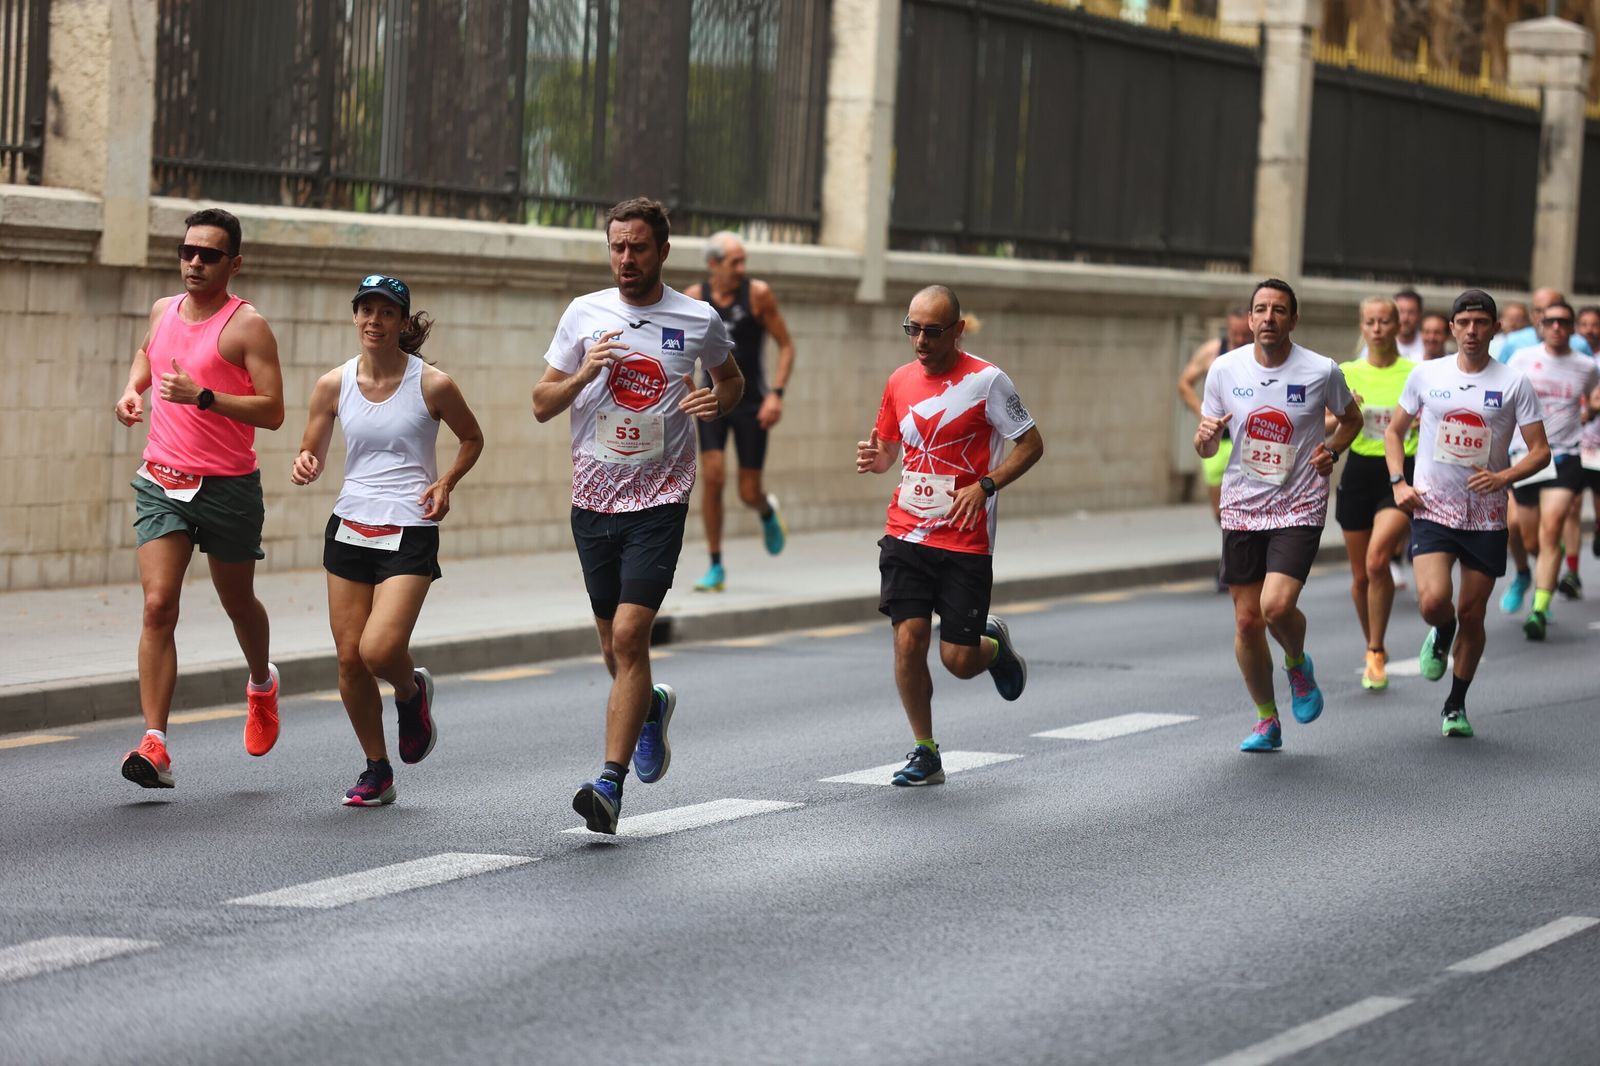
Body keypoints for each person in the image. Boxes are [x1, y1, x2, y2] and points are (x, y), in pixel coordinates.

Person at [533, 197, 742, 835]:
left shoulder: (697, 318)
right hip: (593, 501)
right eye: (617, 247)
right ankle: (648, 705)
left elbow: (731, 380)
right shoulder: (583, 314)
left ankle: (609, 786)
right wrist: (582, 373)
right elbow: (542, 403)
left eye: (638, 248)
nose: (626, 259)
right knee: (614, 648)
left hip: (660, 499)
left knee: (629, 638)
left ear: (663, 252)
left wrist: (716, 399)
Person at [290, 276, 484, 806]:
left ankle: (409, 690)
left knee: (378, 649)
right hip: (350, 525)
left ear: (402, 322)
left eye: (386, 312)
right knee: (350, 660)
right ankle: (377, 768)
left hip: (409, 526)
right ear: (355, 317)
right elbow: (313, 447)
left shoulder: (433, 385)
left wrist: (445, 482)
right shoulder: (334, 384)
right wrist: (306, 461)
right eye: (365, 310)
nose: (373, 320)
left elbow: (472, 437)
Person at [113, 208, 285, 790]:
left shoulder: (247, 326)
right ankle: (155, 743)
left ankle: (261, 684)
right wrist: (133, 389)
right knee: (159, 604)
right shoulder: (164, 310)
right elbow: (147, 353)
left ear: (233, 264)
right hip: (162, 478)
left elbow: (274, 410)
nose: (194, 262)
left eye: (209, 255)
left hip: (228, 486)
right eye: (187, 251)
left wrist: (205, 396)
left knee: (238, 602)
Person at [855, 285, 1042, 785]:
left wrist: (986, 484)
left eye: (932, 331)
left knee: (958, 660)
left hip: (965, 539)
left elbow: (1031, 445)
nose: (919, 339)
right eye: (912, 328)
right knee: (908, 642)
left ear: (957, 330)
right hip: (907, 533)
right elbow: (892, 447)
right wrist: (879, 461)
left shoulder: (988, 381)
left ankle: (994, 647)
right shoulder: (898, 380)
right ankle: (925, 751)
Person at [1195, 279, 1361, 753]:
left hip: (1299, 502)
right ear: (1250, 320)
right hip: (1244, 504)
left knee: (1276, 607)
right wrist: (1205, 438)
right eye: (1261, 310)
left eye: (1279, 310)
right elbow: (1207, 441)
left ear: (1293, 319)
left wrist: (1332, 449)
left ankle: (1297, 662)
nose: (1269, 317)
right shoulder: (1225, 369)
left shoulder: (1321, 370)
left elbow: (1351, 419)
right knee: (1247, 623)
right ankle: (1267, 719)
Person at [1387, 290, 1550, 737]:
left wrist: (1504, 478)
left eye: (1482, 323)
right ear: (1453, 328)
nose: (1472, 331)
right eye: (1465, 323)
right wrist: (1399, 482)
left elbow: (1540, 452)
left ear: (1496, 329)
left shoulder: (1514, 383)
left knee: (1474, 615)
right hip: (1433, 507)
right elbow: (1395, 432)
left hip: (1486, 515)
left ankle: (1455, 705)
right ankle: (1441, 633)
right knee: (1434, 602)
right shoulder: (1426, 375)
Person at [683, 232, 797, 591]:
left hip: (750, 403)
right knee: (713, 477)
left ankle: (765, 509)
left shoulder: (758, 295)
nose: (742, 269)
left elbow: (786, 346)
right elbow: (679, 351)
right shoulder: (695, 298)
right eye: (735, 262)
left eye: (744, 261)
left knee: (748, 491)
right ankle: (716, 565)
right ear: (713, 264)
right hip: (711, 400)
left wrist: (775, 395)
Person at [1331, 297, 1417, 691]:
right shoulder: (1347, 372)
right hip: (1359, 473)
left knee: (1378, 558)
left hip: (1401, 473)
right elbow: (1325, 424)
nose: (1378, 328)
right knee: (1361, 575)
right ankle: (1372, 648)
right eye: (1370, 322)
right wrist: (1342, 415)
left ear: (1398, 325)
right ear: (1362, 327)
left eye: (1385, 321)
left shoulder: (1416, 373)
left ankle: (1378, 648)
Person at [1504, 301, 1600, 638]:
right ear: (1540, 326)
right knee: (1518, 532)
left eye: (1564, 322)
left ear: (1572, 329)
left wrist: (1587, 413)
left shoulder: (1586, 366)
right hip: (1525, 457)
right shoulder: (1521, 360)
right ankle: (1524, 572)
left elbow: (1592, 397)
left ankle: (1539, 610)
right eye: (1551, 322)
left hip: (1564, 458)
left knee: (1551, 529)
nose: (1557, 327)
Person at [1178, 306, 1252, 524]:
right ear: (1227, 329)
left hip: (1247, 437)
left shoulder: (1260, 356)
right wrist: (1204, 413)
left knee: (1246, 501)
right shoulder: (1212, 351)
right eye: (1234, 333)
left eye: (1245, 335)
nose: (1239, 339)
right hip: (1218, 436)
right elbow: (1184, 383)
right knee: (1219, 505)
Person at [1357, 289, 1425, 360]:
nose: (1405, 318)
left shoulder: (1429, 343)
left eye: (1411, 312)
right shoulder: (1374, 345)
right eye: (1401, 311)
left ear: (1420, 314)